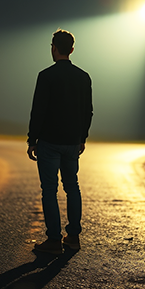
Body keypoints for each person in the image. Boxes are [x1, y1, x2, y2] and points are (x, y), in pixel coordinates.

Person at [27, 29, 93, 254]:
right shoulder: (83, 77)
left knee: (49, 190)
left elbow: (38, 110)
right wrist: (82, 138)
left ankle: (54, 240)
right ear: (72, 50)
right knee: (72, 187)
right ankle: (73, 237)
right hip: (72, 142)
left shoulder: (45, 76)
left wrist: (32, 140)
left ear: (53, 48)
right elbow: (88, 111)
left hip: (49, 141)